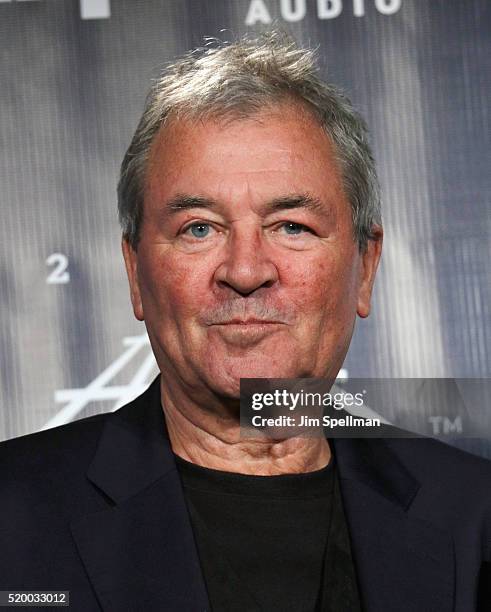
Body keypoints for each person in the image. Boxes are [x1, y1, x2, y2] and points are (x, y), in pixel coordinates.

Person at [1, 32, 490, 612]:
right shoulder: (12, 514)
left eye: (292, 226)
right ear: (135, 273)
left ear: (365, 267)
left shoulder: (475, 515)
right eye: (199, 228)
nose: (246, 270)